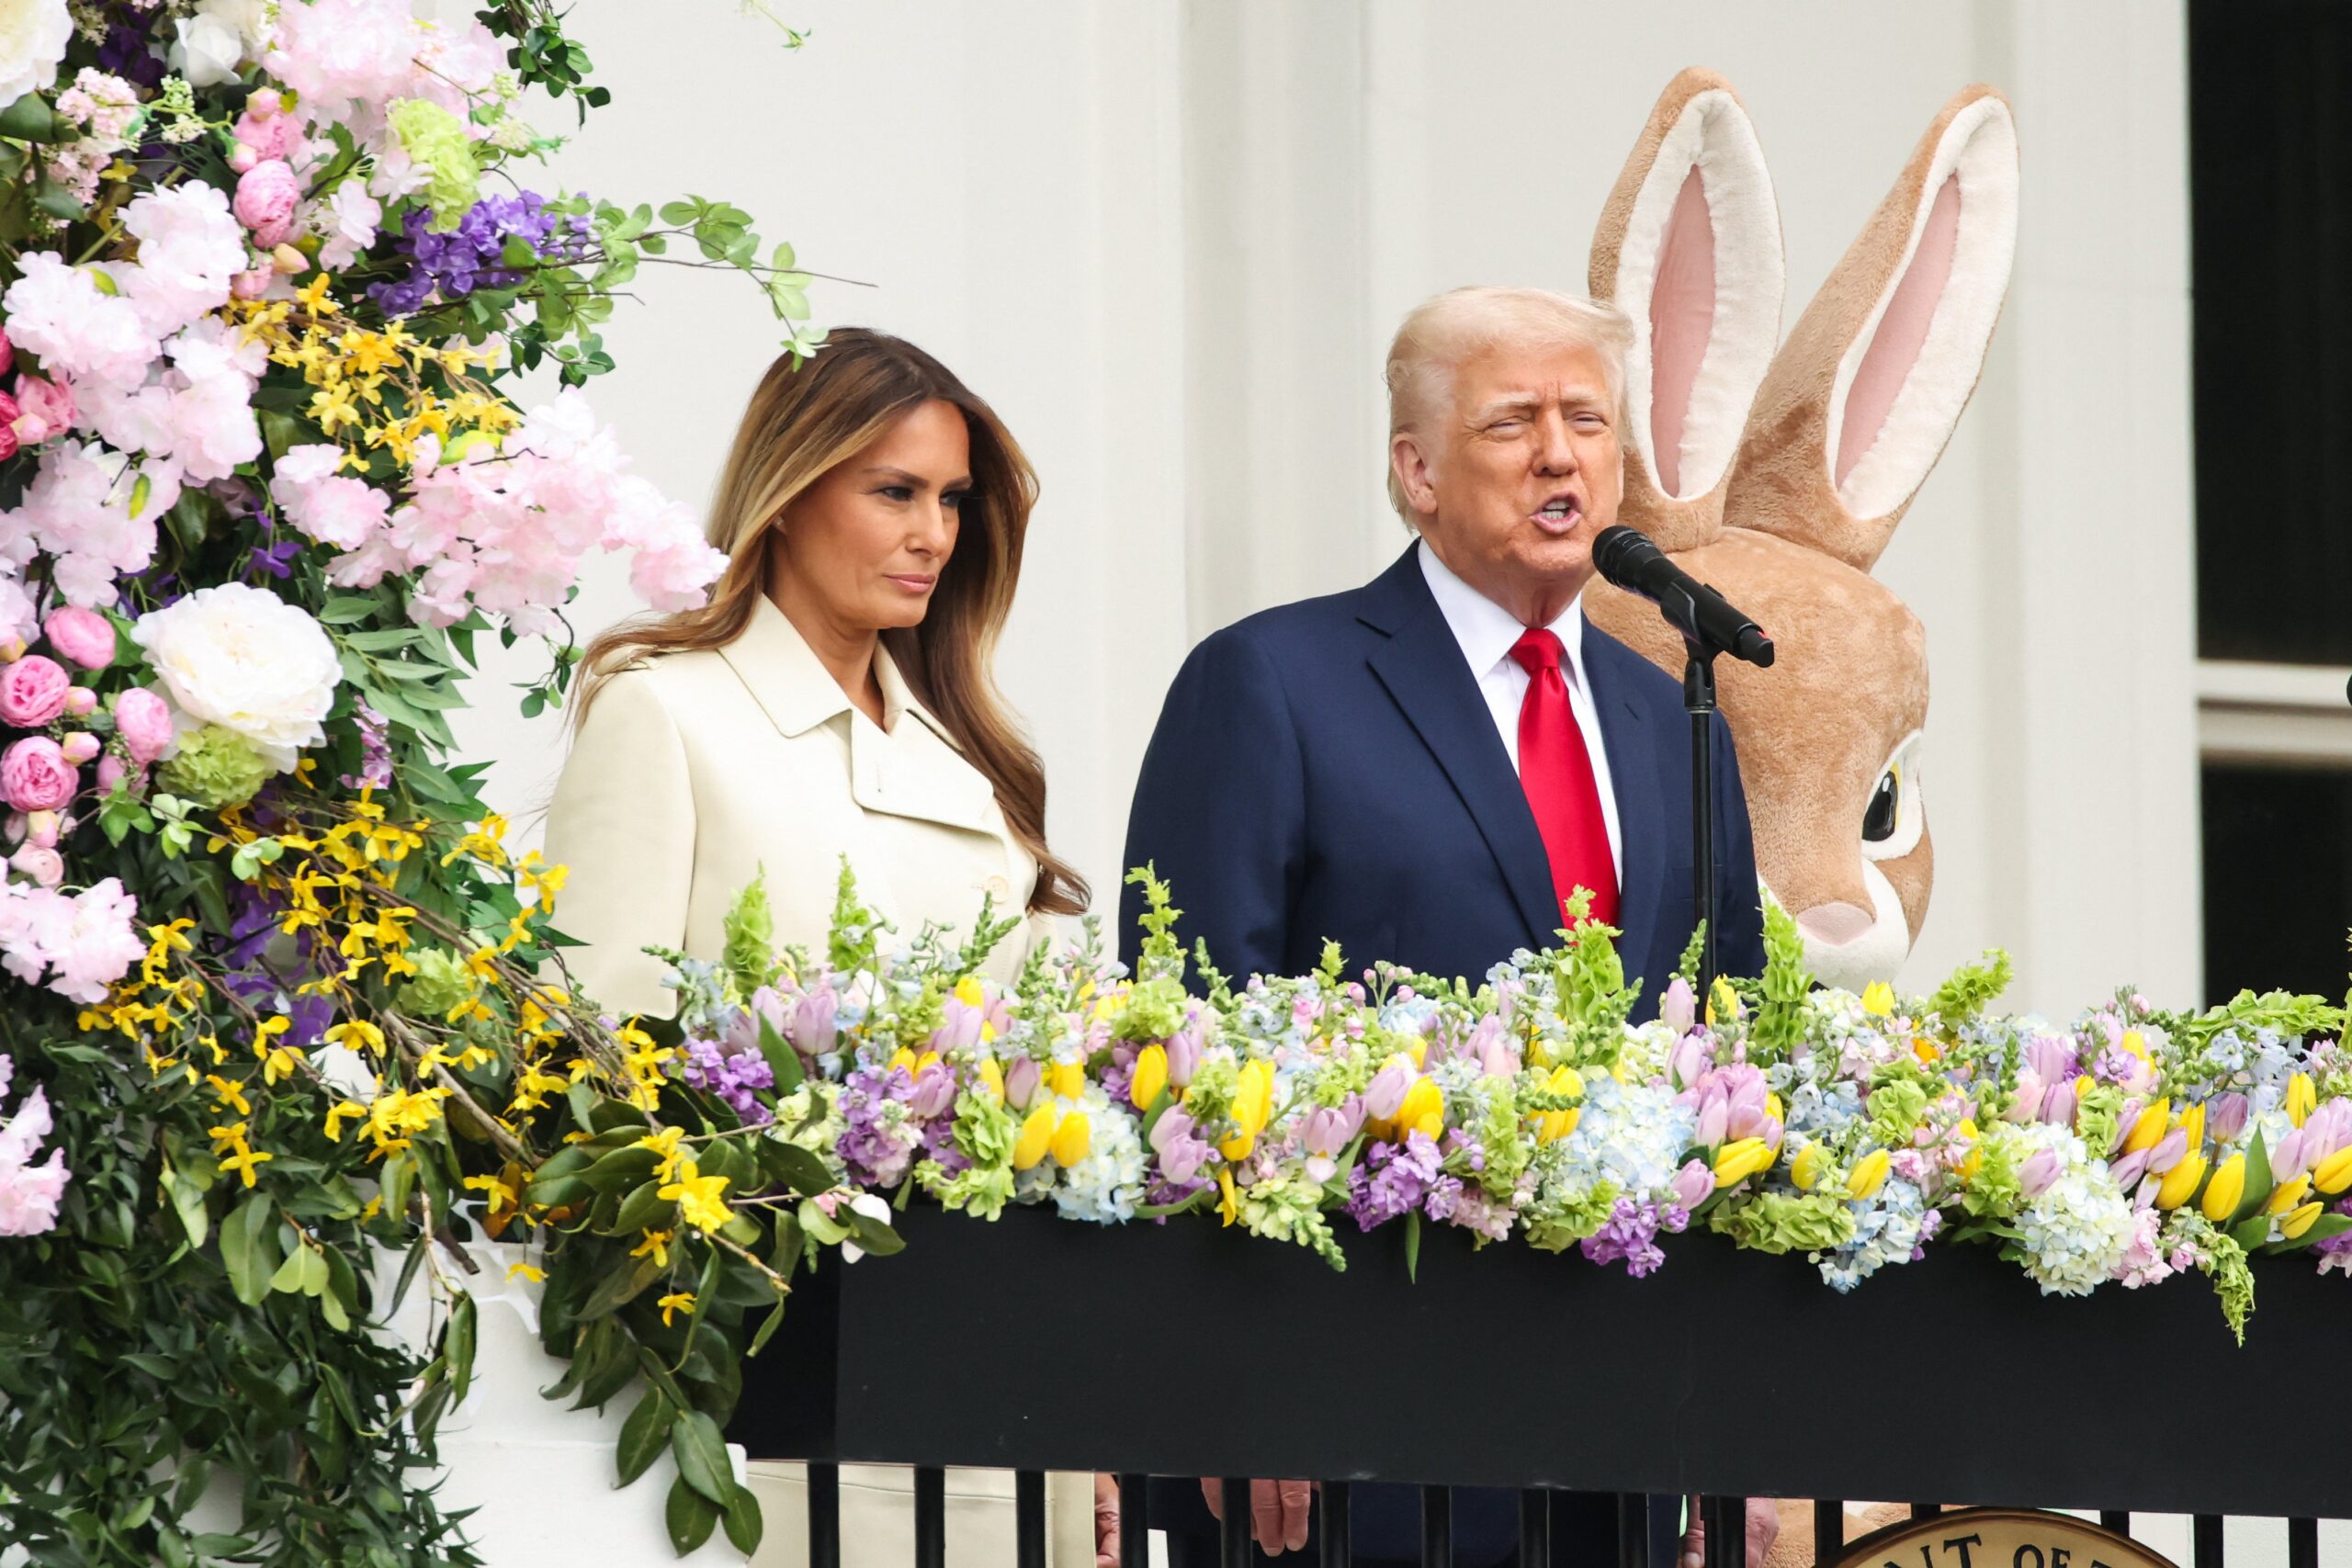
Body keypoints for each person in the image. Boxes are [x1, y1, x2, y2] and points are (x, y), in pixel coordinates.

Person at [1117, 288, 1773, 1568]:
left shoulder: (1674, 716)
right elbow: (1183, 1043)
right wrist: (1231, 1386)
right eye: (1512, 423)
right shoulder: (1274, 683)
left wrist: (1742, 1433)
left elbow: (1740, 1063)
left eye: (1588, 420)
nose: (1560, 456)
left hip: (1622, 1434)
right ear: (1415, 472)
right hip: (1355, 1429)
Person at [545, 328, 1098, 1568]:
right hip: (769, 1392)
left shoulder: (967, 758)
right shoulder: (664, 709)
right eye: (895, 491)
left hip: (990, 1377)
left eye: (952, 499)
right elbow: (595, 1076)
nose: (934, 534)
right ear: (790, 493)